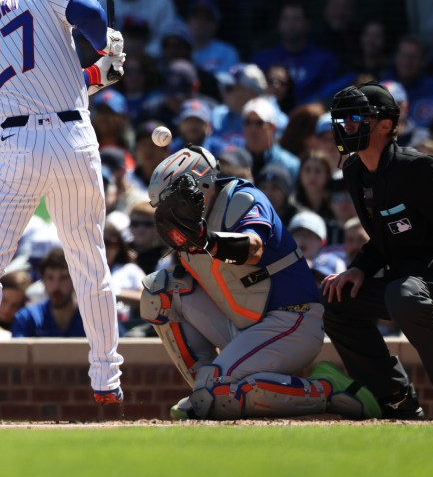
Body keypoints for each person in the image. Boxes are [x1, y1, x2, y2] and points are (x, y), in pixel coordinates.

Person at [0, 0, 125, 422]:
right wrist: (107, 50)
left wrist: (99, 71)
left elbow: (26, 90)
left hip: (13, 148)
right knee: (88, 258)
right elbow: (91, 15)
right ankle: (107, 379)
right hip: (74, 140)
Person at [141, 144, 380, 420]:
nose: (171, 211)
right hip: (243, 321)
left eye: (176, 200)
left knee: (219, 391)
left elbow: (253, 248)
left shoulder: (243, 198)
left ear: (202, 184)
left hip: (293, 320)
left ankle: (328, 388)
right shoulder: (184, 227)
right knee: (158, 291)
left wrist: (207, 240)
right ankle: (203, 392)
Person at [322, 80, 433, 421]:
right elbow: (387, 237)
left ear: (385, 126)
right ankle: (396, 397)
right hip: (405, 285)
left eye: (356, 119)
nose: (347, 127)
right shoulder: (356, 171)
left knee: (404, 293)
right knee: (336, 300)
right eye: (343, 121)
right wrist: (358, 267)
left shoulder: (418, 168)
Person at [11, 246, 86, 338]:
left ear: (75, 280)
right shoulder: (27, 318)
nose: (56, 286)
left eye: (63, 278)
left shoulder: (90, 319)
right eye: (50, 278)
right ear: (43, 280)